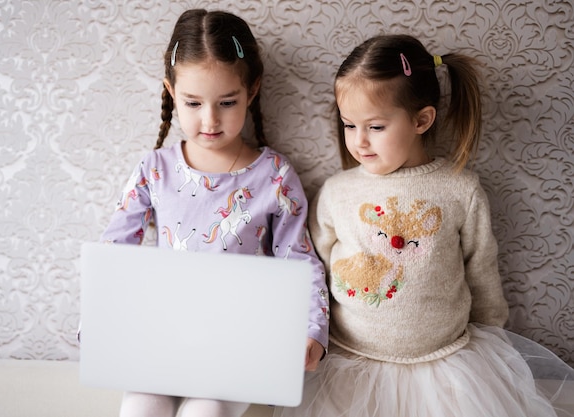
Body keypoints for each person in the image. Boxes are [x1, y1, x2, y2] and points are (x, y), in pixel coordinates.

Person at [273, 34, 574, 417]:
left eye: (376, 127)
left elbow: (481, 270)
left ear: (421, 119)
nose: (359, 142)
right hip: (351, 363)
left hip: (446, 363)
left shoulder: (459, 189)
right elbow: (317, 269)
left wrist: (493, 339)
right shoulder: (337, 192)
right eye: (349, 125)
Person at [99, 9, 329, 417]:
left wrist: (313, 330)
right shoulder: (155, 170)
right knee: (138, 410)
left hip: (239, 343)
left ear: (252, 91)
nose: (210, 119)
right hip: (165, 337)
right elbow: (115, 251)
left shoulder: (275, 176)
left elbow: (300, 259)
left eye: (227, 102)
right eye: (193, 102)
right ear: (171, 92)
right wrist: (100, 323)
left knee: (206, 413)